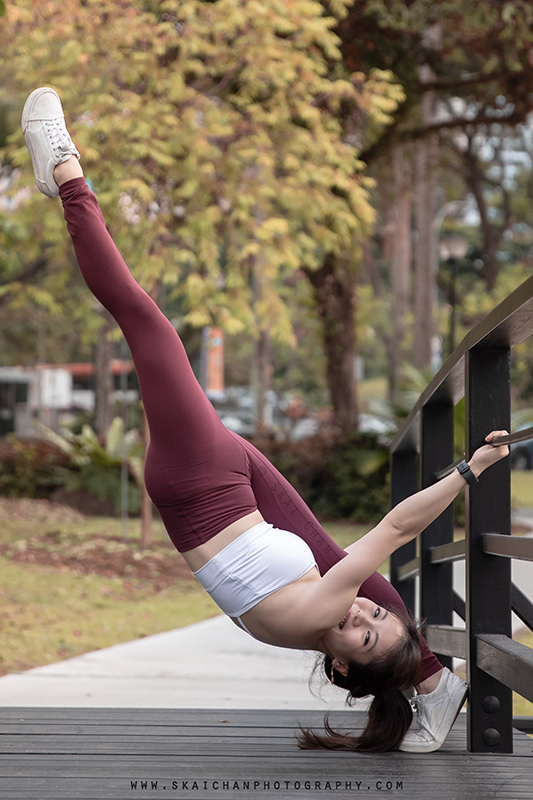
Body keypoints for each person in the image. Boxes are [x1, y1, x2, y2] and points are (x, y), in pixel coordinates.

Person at [21, 87, 509, 753]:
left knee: (144, 319)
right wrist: (398, 660)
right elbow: (352, 579)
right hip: (228, 490)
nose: (367, 606)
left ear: (338, 664)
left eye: (365, 629)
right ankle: (430, 683)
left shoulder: (317, 608)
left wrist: (469, 469)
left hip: (199, 480)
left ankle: (65, 172)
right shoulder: (317, 620)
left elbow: (397, 527)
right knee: (336, 557)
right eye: (378, 613)